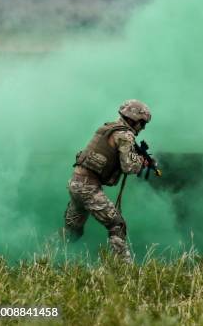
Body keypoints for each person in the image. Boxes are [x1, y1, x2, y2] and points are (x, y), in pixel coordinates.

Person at [61, 99, 151, 263]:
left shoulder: (107, 128)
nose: (142, 127)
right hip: (88, 187)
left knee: (72, 231)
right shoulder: (125, 134)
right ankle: (123, 270)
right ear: (133, 118)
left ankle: (47, 256)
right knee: (117, 225)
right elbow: (129, 166)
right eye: (142, 123)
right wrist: (141, 162)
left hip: (76, 183)